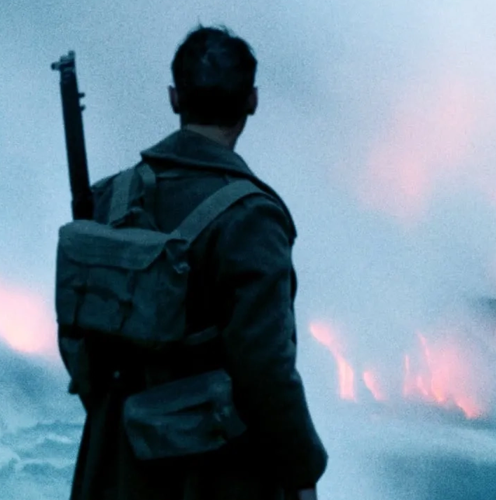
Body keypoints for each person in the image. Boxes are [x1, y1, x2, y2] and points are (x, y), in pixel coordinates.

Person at [57, 25, 327, 500]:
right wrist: (303, 469)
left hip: (113, 465)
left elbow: (77, 338)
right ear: (252, 101)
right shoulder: (252, 218)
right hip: (215, 477)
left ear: (174, 98)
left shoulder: (109, 198)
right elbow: (265, 369)